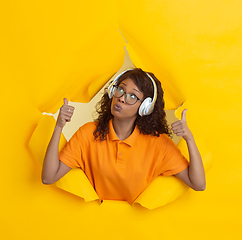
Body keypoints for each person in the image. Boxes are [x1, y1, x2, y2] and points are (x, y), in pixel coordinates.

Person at [42, 68, 206, 204]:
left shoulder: (159, 144)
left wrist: (189, 139)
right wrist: (59, 126)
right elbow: (49, 177)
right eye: (120, 89)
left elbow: (198, 184)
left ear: (145, 107)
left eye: (132, 96)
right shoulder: (88, 133)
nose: (121, 98)